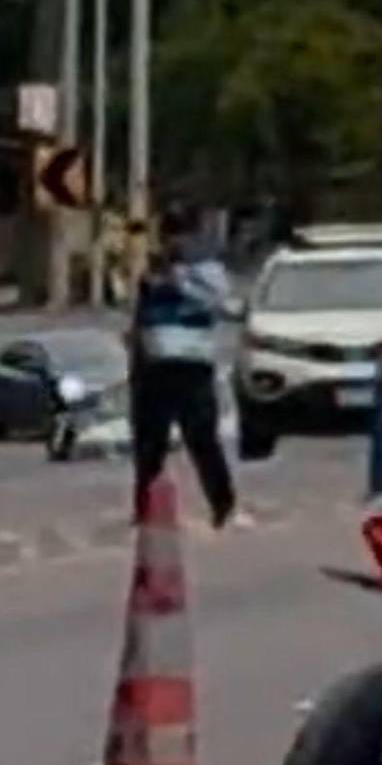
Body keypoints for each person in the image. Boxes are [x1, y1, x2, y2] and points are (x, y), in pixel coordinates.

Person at [130, 203, 237, 528]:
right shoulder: (151, 267)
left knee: (202, 439)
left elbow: (220, 302)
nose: (173, 242)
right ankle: (145, 508)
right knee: (149, 443)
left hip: (191, 364)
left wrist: (180, 279)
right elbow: (139, 313)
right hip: (154, 365)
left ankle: (223, 504)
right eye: (168, 234)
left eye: (179, 233)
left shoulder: (205, 269)